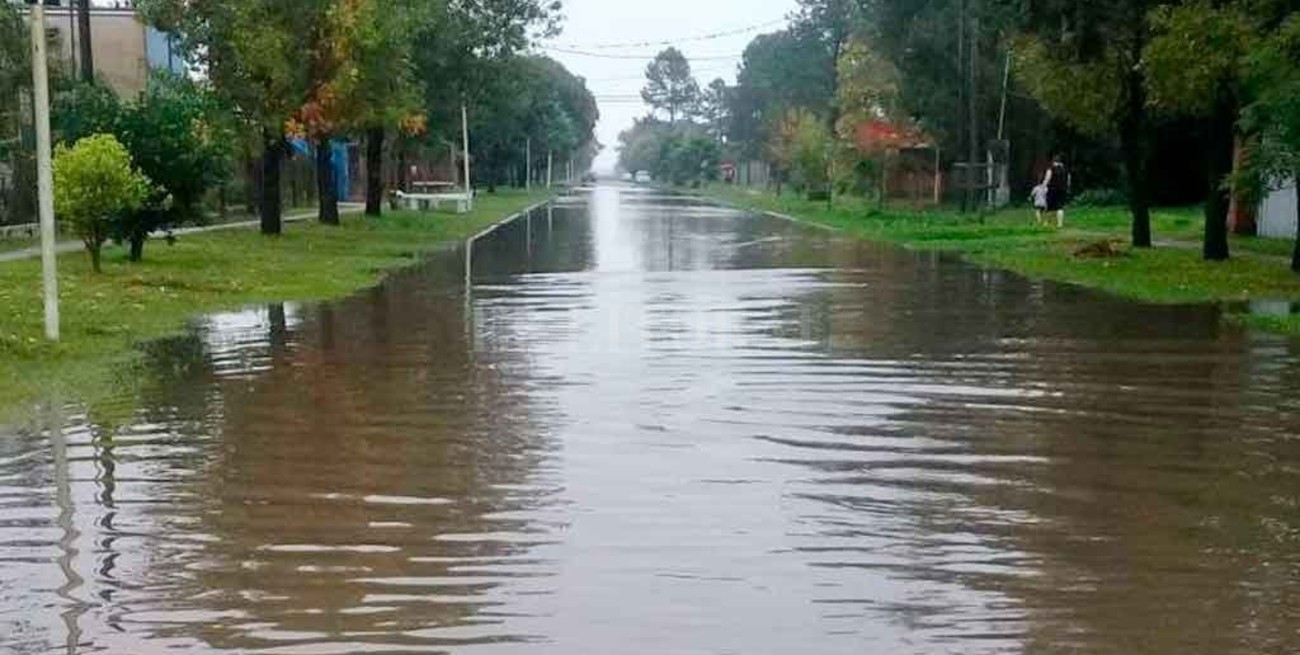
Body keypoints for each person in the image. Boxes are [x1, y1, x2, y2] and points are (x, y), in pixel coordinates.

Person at [1042, 154, 1070, 228]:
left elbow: (1047, 178)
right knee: (1060, 207)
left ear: (1053, 161)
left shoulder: (1051, 168)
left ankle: (1046, 223)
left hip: (1052, 189)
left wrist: (1043, 186)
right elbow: (1069, 180)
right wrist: (1067, 188)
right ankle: (1059, 224)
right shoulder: (1065, 169)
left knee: (1049, 207)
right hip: (1062, 189)